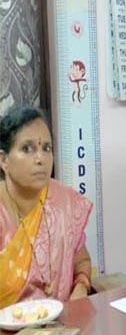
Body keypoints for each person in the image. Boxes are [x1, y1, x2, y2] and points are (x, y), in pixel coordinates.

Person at [0, 106, 93, 306]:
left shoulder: (62, 202)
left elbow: (82, 262)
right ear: (4, 160)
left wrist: (81, 287)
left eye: (46, 148)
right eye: (27, 149)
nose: (40, 159)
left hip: (61, 322)